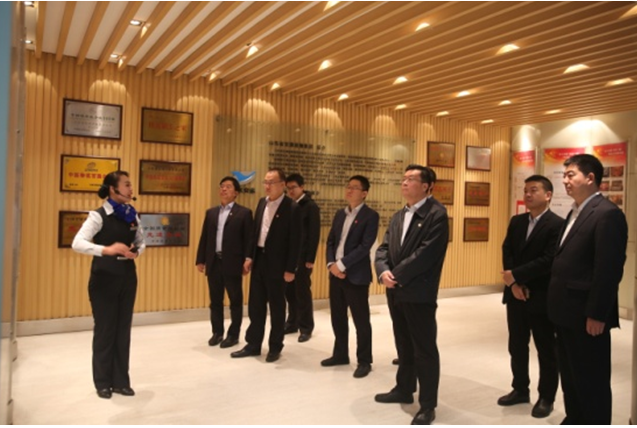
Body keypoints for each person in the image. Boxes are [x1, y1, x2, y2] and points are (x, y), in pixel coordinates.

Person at [548, 154, 628, 424]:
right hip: (566, 312)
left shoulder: (607, 214)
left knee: (591, 380)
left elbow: (608, 270)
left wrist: (597, 313)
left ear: (590, 178)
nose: (565, 180)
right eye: (564, 175)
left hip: (586, 315)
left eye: (571, 175)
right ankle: (575, 418)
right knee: (571, 376)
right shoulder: (575, 211)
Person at [374, 165, 449, 425]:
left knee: (424, 349)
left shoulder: (436, 215)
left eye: (411, 179)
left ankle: (428, 405)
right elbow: (383, 248)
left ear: (427, 186)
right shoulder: (399, 215)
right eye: (403, 179)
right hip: (395, 290)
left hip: (418, 292)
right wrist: (383, 271)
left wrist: (395, 275)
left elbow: (426, 254)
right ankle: (404, 388)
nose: (404, 183)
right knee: (403, 344)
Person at [72, 170, 145, 400]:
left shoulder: (132, 214)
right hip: (104, 278)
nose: (131, 189)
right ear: (113, 189)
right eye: (127, 185)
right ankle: (103, 382)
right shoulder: (98, 215)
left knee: (123, 330)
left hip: (127, 277)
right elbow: (77, 243)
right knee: (105, 330)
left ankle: (121, 381)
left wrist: (136, 252)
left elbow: (141, 241)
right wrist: (106, 250)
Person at [498, 175, 563, 418]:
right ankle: (520, 389)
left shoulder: (557, 224)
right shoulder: (517, 221)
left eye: (533, 190)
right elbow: (507, 250)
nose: (527, 194)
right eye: (525, 190)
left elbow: (549, 260)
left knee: (546, 349)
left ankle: (546, 397)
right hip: (516, 294)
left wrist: (516, 276)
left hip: (541, 295)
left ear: (548, 195)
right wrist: (514, 283)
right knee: (517, 345)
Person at [231, 168, 301, 363]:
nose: (267, 186)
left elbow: (296, 241)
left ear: (282, 185)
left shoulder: (292, 207)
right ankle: (253, 344)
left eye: (271, 182)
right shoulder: (262, 202)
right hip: (259, 260)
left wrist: (290, 269)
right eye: (265, 182)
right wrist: (249, 257)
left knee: (277, 307)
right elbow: (255, 233)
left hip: (279, 264)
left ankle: (275, 346)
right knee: (256, 305)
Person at [322, 175, 379, 379]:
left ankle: (364, 360)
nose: (349, 190)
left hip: (356, 275)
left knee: (360, 320)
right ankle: (340, 354)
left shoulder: (370, 216)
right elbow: (331, 241)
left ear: (364, 193)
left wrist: (342, 264)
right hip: (335, 274)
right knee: (337, 317)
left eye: (354, 187)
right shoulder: (340, 214)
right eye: (348, 186)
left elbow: (365, 247)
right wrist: (331, 264)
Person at [196, 176, 253, 349]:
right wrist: (200, 259)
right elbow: (205, 237)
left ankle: (233, 335)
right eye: (222, 186)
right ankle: (217, 332)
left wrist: (248, 259)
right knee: (215, 300)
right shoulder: (211, 213)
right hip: (214, 262)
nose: (224, 189)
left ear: (236, 193)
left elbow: (249, 239)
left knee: (235, 300)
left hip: (233, 262)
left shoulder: (244, 213)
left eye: (228, 187)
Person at [284, 173, 321, 343]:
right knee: (289, 291)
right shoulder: (288, 205)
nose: (291, 191)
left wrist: (310, 259)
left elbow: (314, 234)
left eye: (294, 187)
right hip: (289, 257)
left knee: (302, 292)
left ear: (302, 187)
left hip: (303, 257)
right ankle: (292, 322)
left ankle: (306, 327)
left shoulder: (310, 206)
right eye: (288, 188)